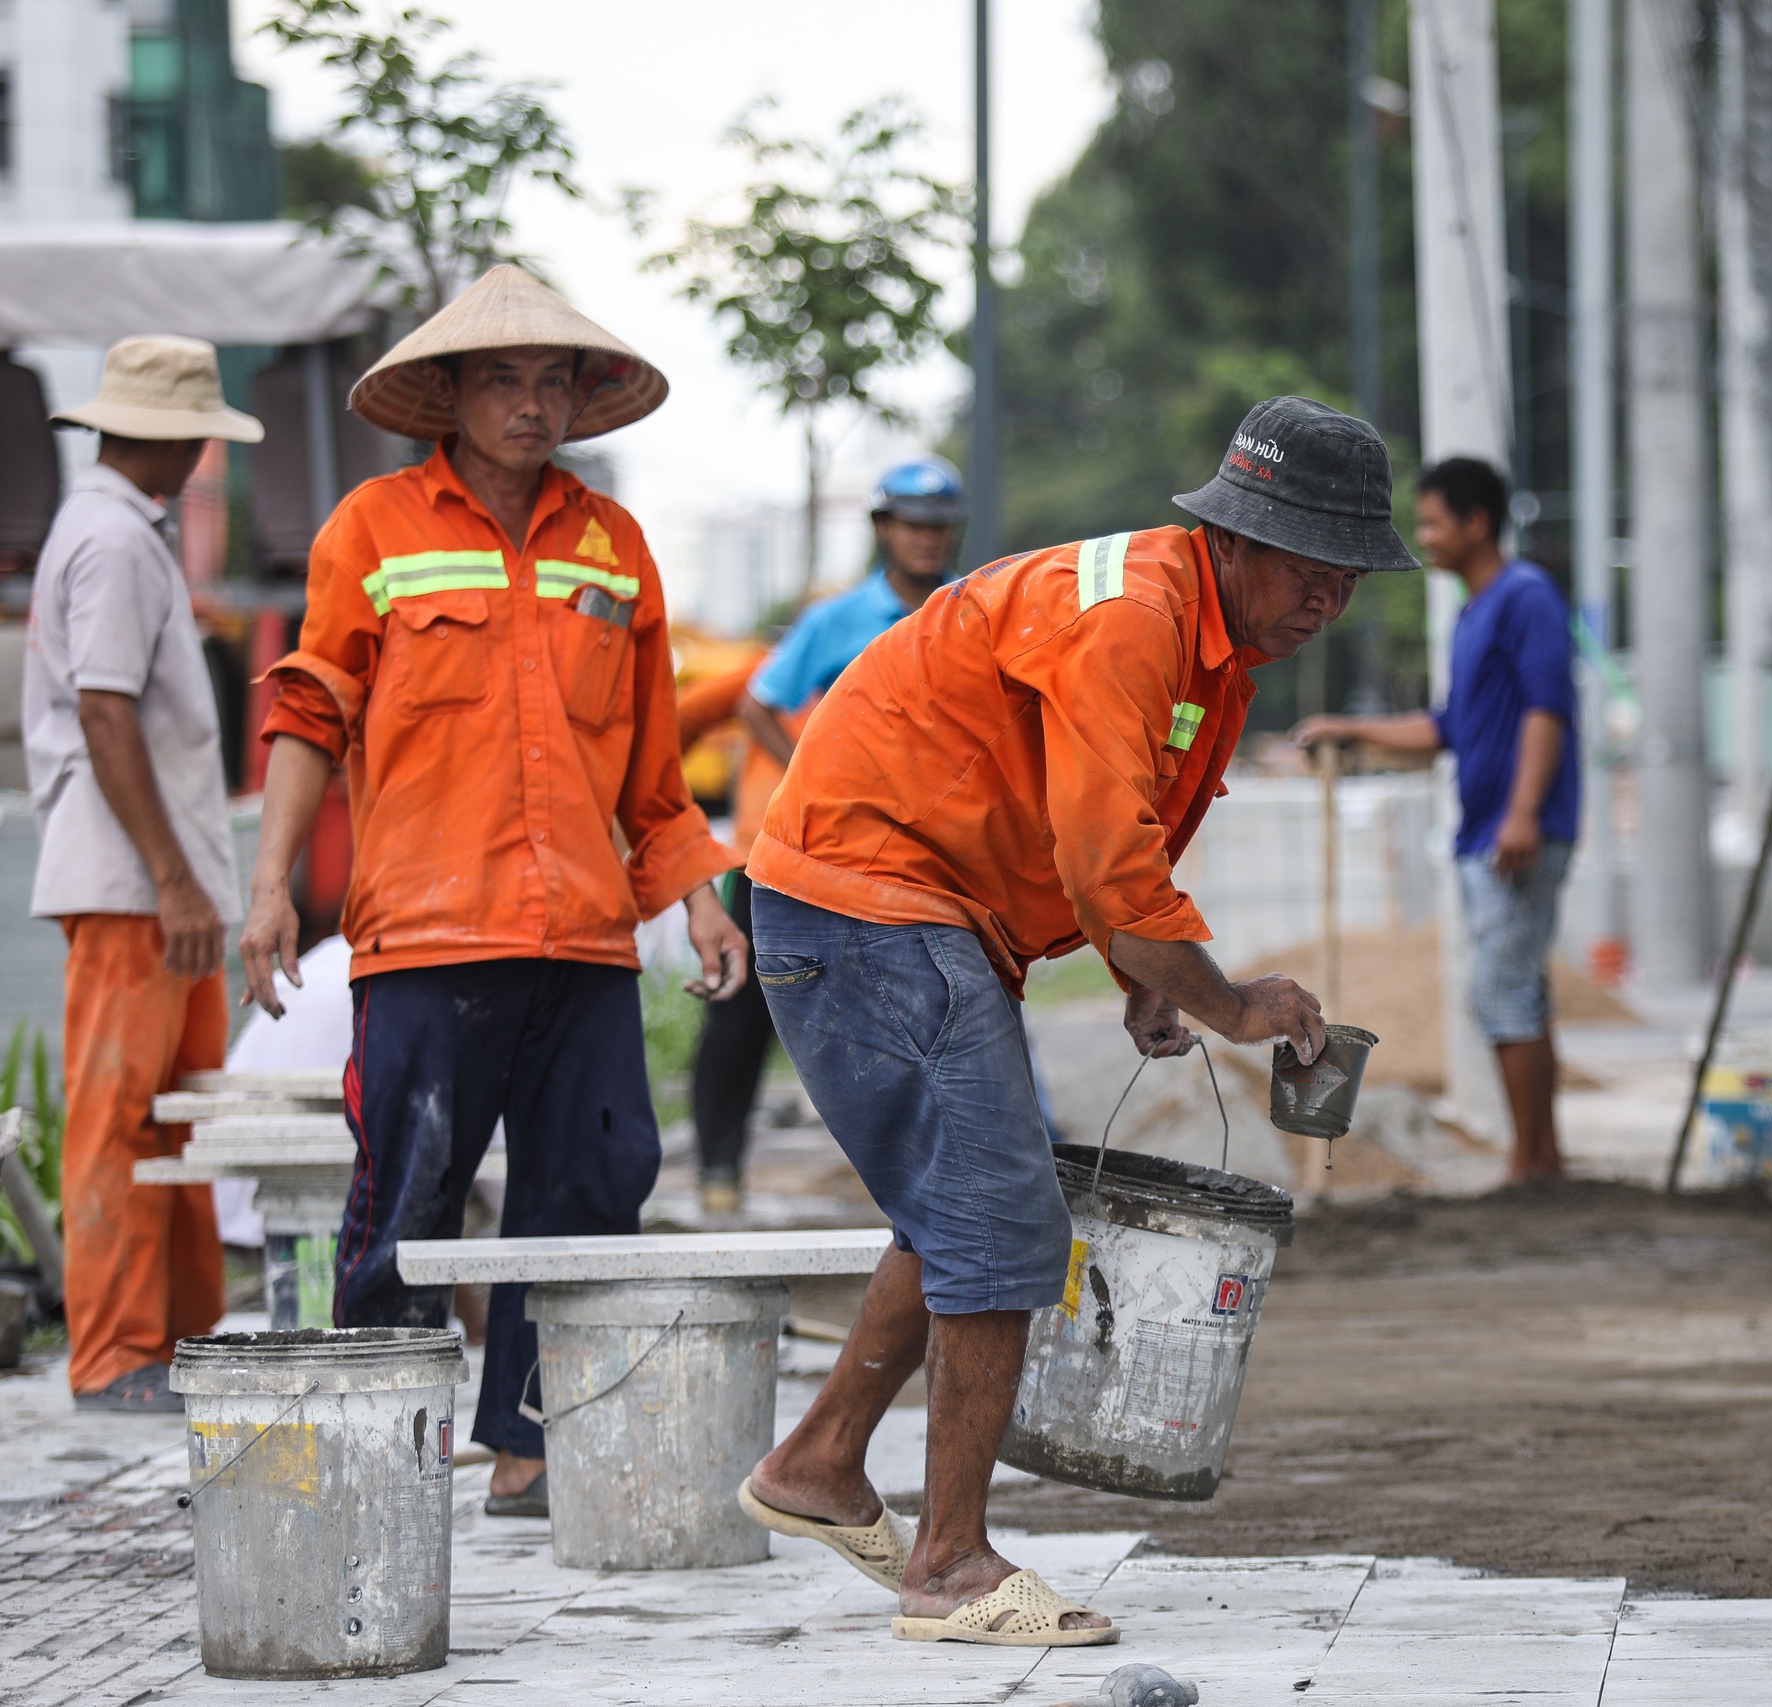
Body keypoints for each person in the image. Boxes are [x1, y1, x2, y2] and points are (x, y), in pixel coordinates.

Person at [735, 396, 1415, 1647]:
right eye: (1312, 569)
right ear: (1242, 538)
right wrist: (1226, 1003)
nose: (1329, 601)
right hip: (874, 902)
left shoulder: (1211, 652)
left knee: (960, 1203)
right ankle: (948, 1566)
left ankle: (822, 1461)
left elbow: (1120, 844)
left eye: (1349, 579)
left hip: (912, 908)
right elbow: (1112, 870)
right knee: (1002, 1217)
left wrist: (1143, 972)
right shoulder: (1137, 619)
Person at [236, 265, 748, 1517]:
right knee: (405, 1191)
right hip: (424, 932)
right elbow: (309, 712)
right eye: (504, 381)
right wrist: (268, 891)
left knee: (590, 1189)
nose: (532, 405)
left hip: (582, 936)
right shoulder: (373, 530)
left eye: (552, 381)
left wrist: (699, 897)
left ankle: (529, 1447)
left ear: (580, 396)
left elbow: (651, 765)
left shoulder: (613, 549)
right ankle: (371, 1451)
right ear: (450, 397)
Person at [24, 336, 262, 1412]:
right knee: (124, 1118)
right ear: (175, 434)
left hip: (159, 882)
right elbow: (104, 707)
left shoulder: (124, 532)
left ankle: (172, 1342)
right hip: (133, 884)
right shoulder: (114, 542)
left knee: (172, 1116)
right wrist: (171, 877)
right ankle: (117, 1353)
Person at [687, 458, 965, 1215]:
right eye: (911, 522)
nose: (926, 538)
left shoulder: (962, 613)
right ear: (884, 529)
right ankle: (717, 1166)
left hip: (906, 858)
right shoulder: (836, 622)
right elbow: (757, 703)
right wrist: (814, 775)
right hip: (787, 850)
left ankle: (920, 1177)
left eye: (938, 525)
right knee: (743, 1010)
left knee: (908, 1011)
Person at [1294, 456, 1577, 1181]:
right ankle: (1542, 1158)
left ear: (1476, 523)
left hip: (1513, 835)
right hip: (1487, 832)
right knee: (1518, 993)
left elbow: (1549, 707)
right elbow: (1448, 727)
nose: (1423, 534)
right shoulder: (1473, 612)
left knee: (1503, 992)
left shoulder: (1524, 596)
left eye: (1432, 520)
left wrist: (1522, 813)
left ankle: (1530, 1164)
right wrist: (1352, 731)